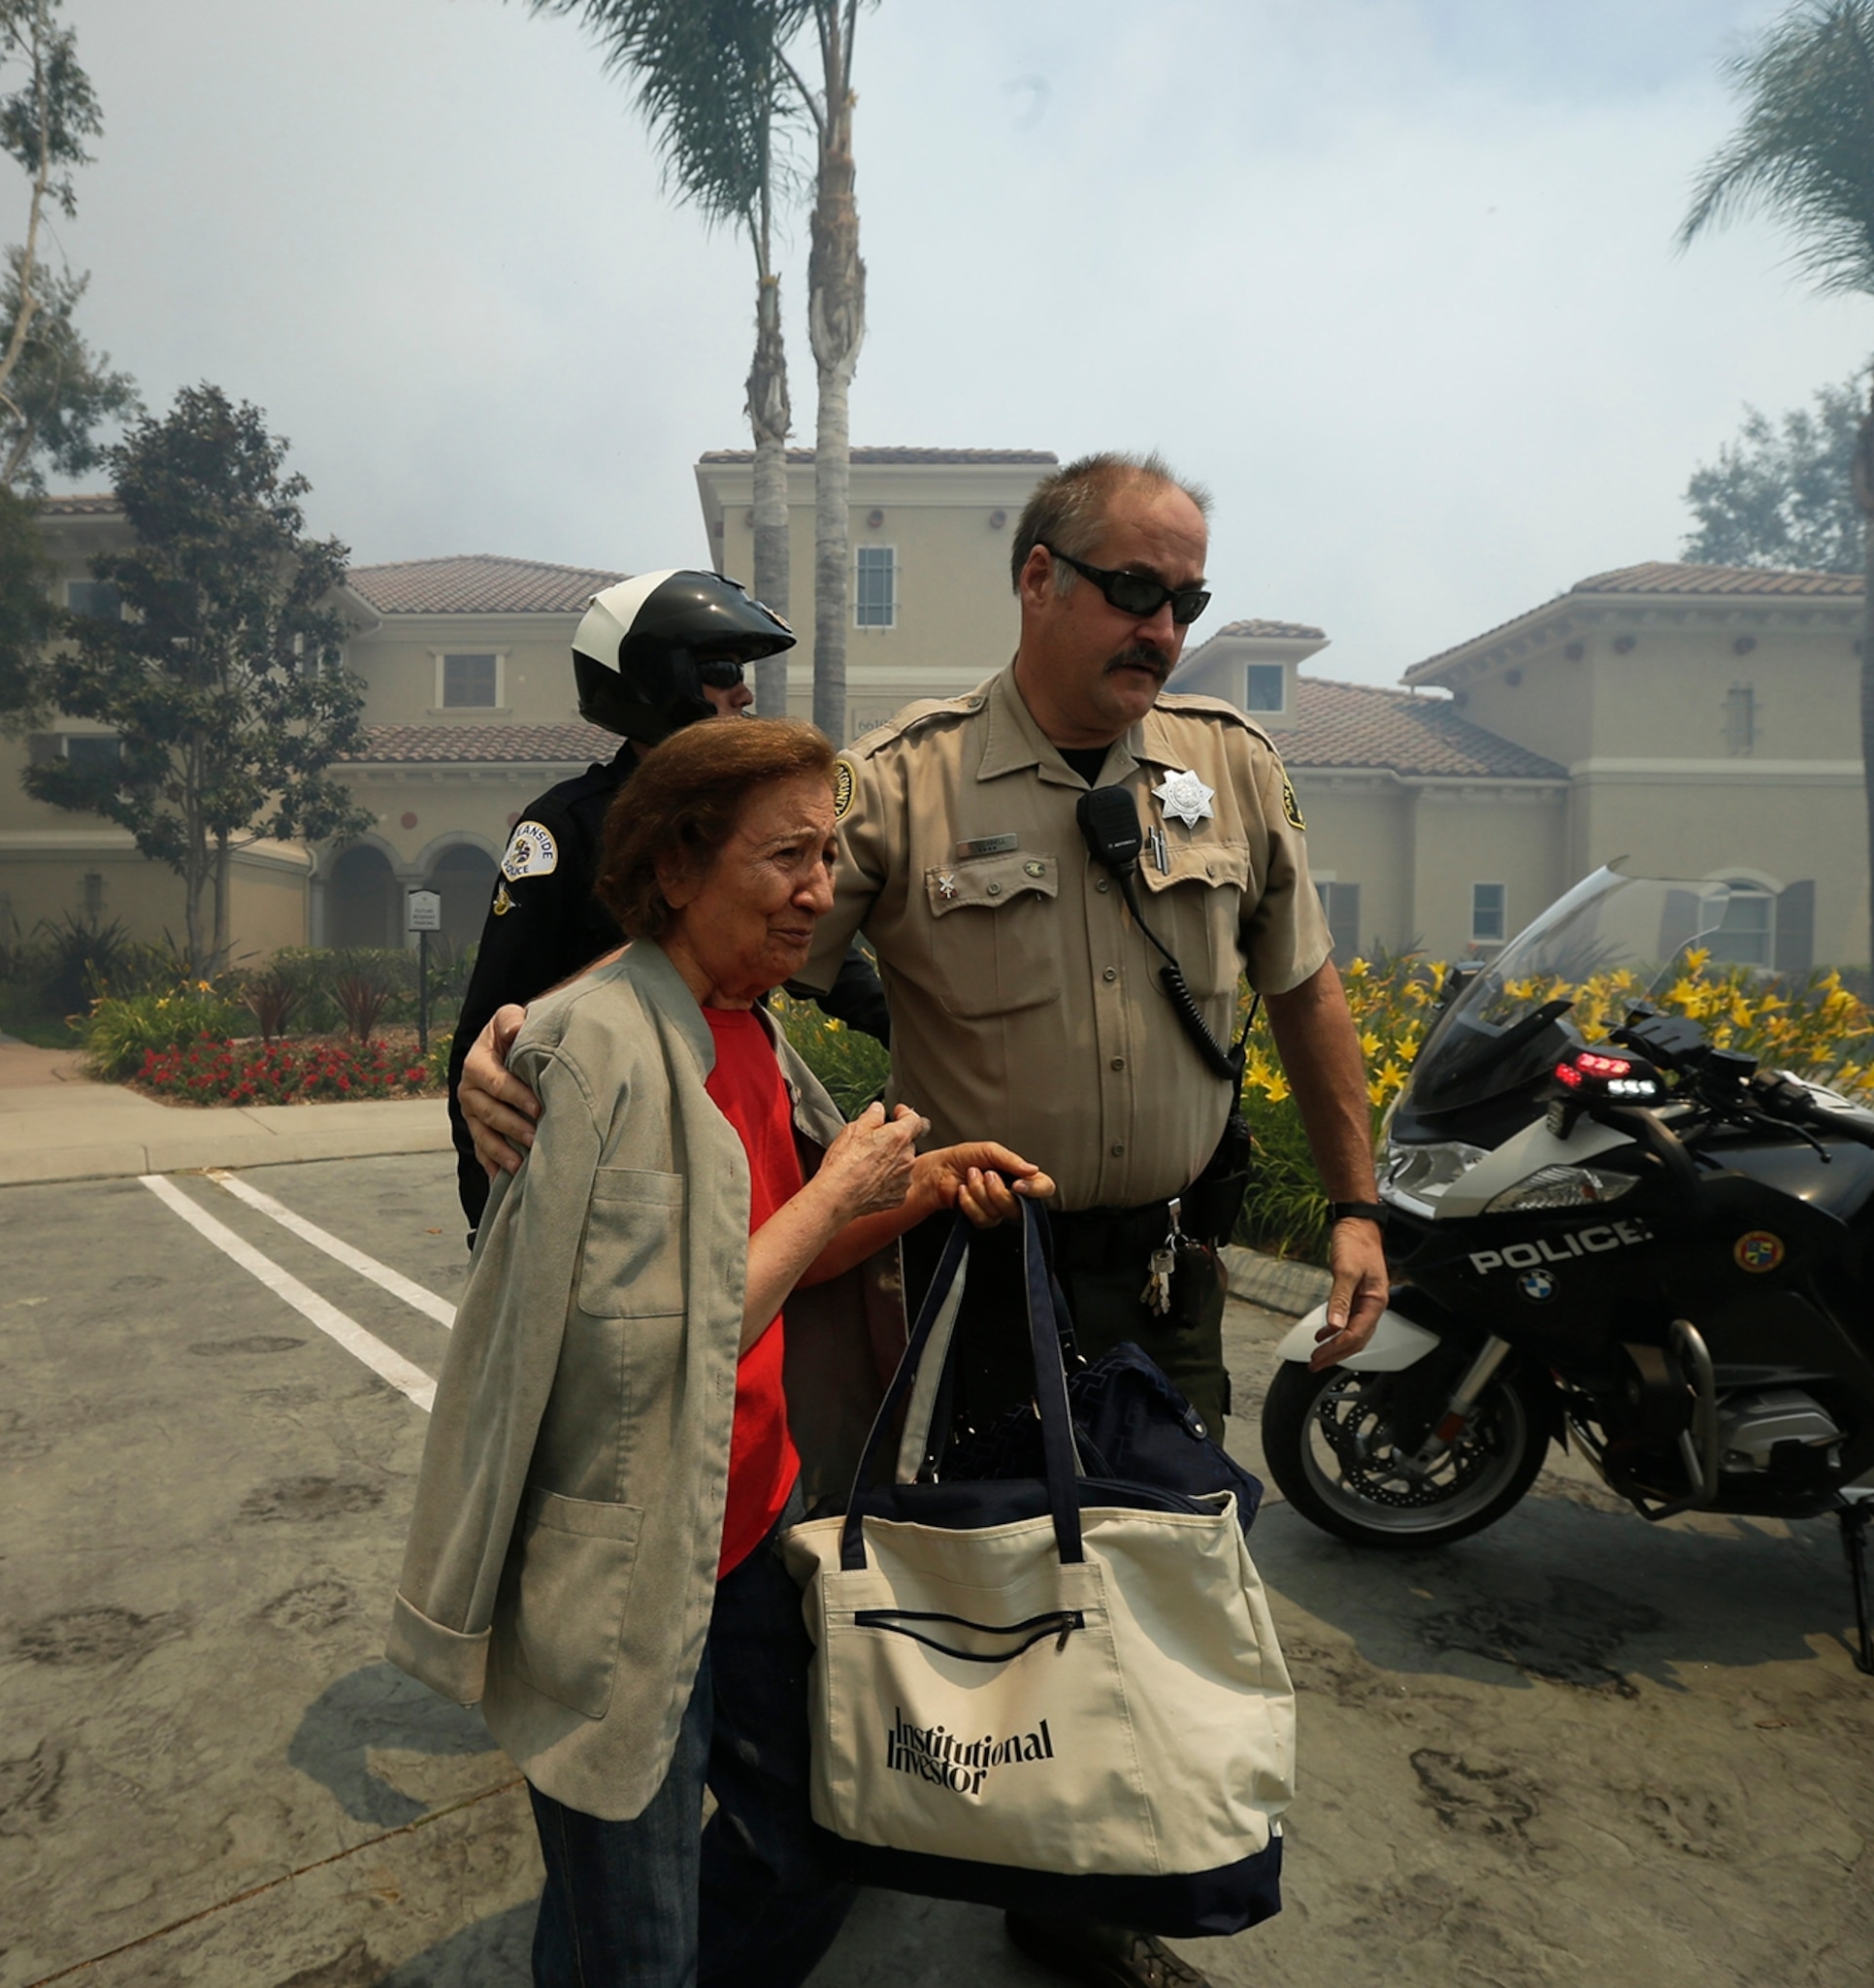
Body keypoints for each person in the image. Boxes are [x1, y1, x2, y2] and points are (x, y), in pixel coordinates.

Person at [461, 451, 1390, 1988]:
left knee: (1165, 1581)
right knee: (995, 1587)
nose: (1165, 627)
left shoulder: (1230, 768)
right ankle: (983, 1833)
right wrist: (521, 1029)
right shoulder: (904, 784)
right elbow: (712, 931)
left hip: (1171, 1274)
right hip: (983, 1270)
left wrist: (1355, 1207)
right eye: (1135, 591)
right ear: (1040, 581)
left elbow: (1306, 988)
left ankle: (1100, 1889)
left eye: (1189, 600)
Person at [390, 716, 1049, 1988]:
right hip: (629, 1573)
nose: (822, 888)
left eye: (829, 854)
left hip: (745, 1531)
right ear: (682, 866)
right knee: (635, 1937)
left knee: (821, 1830)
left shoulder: (740, 1024)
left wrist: (913, 1194)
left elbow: (779, 1268)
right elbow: (667, 1340)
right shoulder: (596, 1049)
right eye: (789, 856)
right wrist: (843, 1177)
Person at [444, 567, 886, 1236]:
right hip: (608, 1158)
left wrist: (912, 1026)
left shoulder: (749, 814)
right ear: (653, 678)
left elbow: (819, 960)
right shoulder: (566, 826)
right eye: (718, 667)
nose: (742, 690)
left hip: (720, 1137)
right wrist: (494, 1213)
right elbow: (494, 1025)